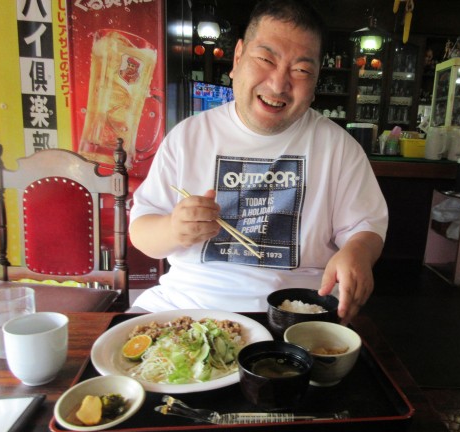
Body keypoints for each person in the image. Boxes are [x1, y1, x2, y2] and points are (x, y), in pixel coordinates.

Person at [128, 0, 388, 324]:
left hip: (295, 314)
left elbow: (365, 228)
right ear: (238, 57)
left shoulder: (339, 147)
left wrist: (358, 252)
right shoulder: (188, 137)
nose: (278, 85)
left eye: (301, 70)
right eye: (266, 59)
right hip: (189, 307)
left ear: (316, 80)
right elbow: (141, 232)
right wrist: (173, 229)